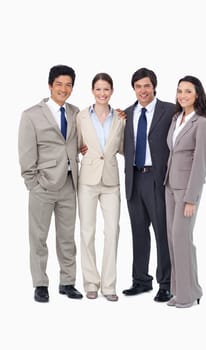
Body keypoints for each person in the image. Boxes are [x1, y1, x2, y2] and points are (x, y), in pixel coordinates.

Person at [18, 65, 83, 302]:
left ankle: (67, 282)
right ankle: (40, 284)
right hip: (42, 186)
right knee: (38, 237)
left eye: (68, 85)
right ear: (50, 85)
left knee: (67, 237)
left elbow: (79, 140)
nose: (63, 89)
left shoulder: (76, 113)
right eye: (59, 84)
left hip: (69, 184)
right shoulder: (31, 114)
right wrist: (33, 183)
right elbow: (26, 153)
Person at [122, 67, 176, 302]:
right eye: (138, 86)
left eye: (146, 85)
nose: (142, 90)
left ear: (154, 86)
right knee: (138, 232)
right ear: (133, 88)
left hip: (157, 179)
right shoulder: (125, 114)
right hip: (134, 178)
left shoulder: (170, 111)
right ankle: (141, 281)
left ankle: (166, 283)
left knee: (162, 232)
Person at [164, 75, 206, 308]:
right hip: (169, 187)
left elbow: (200, 163)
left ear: (197, 95)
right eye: (179, 91)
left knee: (182, 239)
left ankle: (188, 294)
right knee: (174, 241)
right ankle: (182, 291)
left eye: (188, 91)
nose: (182, 95)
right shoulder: (177, 118)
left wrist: (192, 198)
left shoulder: (202, 123)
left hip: (186, 190)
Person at [76, 73, 125, 302]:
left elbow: (124, 147)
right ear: (92, 91)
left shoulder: (121, 118)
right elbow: (76, 144)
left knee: (112, 231)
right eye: (98, 89)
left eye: (106, 89)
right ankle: (90, 283)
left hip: (111, 181)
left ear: (112, 91)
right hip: (87, 179)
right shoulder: (81, 116)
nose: (102, 93)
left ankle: (109, 285)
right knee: (87, 232)